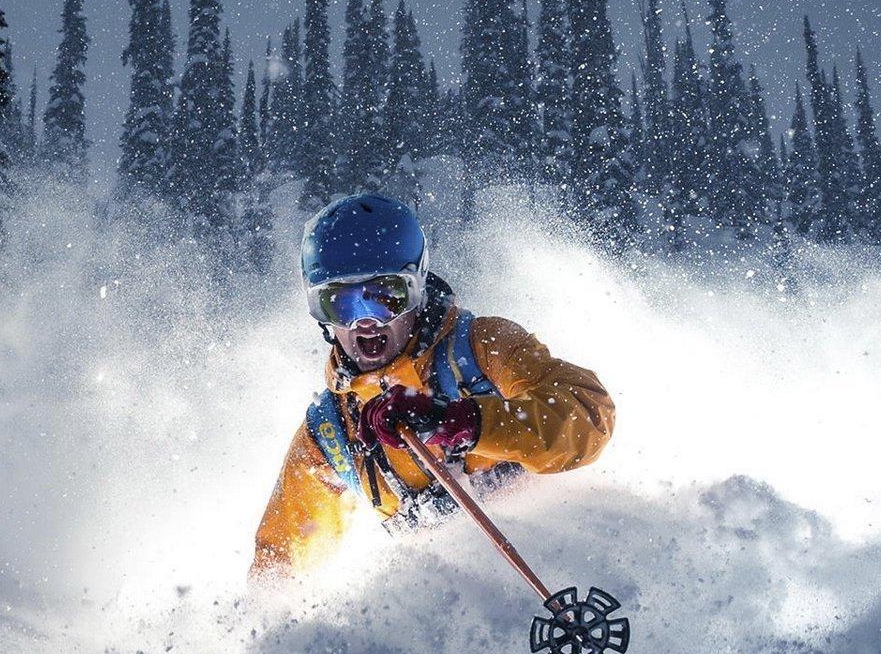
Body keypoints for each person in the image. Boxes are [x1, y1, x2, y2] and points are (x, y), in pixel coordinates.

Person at [250, 193, 615, 579]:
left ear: (418, 288)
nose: (364, 323)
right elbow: (279, 566)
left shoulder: (481, 351)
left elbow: (590, 416)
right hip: (466, 608)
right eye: (339, 303)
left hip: (565, 575)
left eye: (385, 296)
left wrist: (462, 421)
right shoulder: (331, 433)